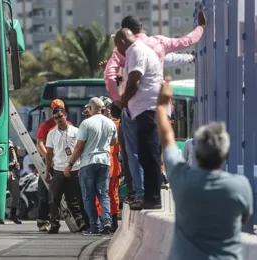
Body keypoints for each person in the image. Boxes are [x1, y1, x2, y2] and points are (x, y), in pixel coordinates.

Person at [103, 10, 206, 208]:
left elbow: (112, 76)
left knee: (135, 153)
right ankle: (149, 194)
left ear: (124, 36)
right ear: (140, 28)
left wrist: (118, 100)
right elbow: (185, 41)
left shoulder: (128, 50)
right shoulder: (158, 42)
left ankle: (142, 194)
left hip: (140, 107)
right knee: (150, 153)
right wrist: (201, 27)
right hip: (157, 105)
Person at [157, 80, 253, 260]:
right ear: (227, 155)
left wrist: (162, 106)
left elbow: (167, 137)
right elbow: (244, 219)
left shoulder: (181, 179)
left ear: (196, 153)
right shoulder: (240, 186)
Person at [114, 28, 163, 210]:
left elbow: (135, 77)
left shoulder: (135, 50)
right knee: (145, 154)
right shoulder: (138, 50)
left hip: (147, 110)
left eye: (116, 47)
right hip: (144, 110)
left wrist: (124, 100)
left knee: (148, 154)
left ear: (120, 42)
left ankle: (152, 197)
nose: (118, 52)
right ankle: (150, 197)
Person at [64, 97, 118, 235]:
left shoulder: (86, 123)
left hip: (89, 162)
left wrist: (70, 164)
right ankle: (107, 222)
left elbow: (79, 146)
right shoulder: (110, 123)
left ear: (90, 109)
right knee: (103, 194)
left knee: (88, 196)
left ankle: (94, 227)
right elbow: (113, 142)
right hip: (105, 162)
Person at [45, 107, 89, 234]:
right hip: (58, 170)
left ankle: (84, 222)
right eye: (55, 118)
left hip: (75, 169)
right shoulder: (51, 134)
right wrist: (47, 171)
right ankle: (54, 224)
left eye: (60, 116)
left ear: (65, 115)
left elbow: (82, 150)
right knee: (54, 199)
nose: (58, 120)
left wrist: (82, 167)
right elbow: (49, 154)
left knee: (78, 198)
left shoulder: (76, 131)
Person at [36, 99, 72, 232]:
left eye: (60, 110)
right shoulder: (46, 126)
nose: (58, 116)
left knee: (69, 194)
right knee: (45, 193)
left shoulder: (69, 125)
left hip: (65, 165)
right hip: (51, 165)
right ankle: (43, 221)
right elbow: (40, 143)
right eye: (55, 111)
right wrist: (48, 158)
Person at [95, 96, 121, 232]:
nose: (108, 110)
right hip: (100, 164)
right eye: (105, 108)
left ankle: (113, 222)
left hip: (112, 165)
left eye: (109, 108)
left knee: (112, 194)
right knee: (99, 195)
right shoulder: (94, 124)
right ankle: (104, 222)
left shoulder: (117, 124)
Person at [0, 140, 22, 225]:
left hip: (12, 172)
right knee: (1, 195)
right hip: (3, 172)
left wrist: (16, 163)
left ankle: (13, 214)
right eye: (9, 147)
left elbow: (14, 160)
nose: (11, 149)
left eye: (11, 147)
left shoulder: (11, 146)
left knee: (16, 194)